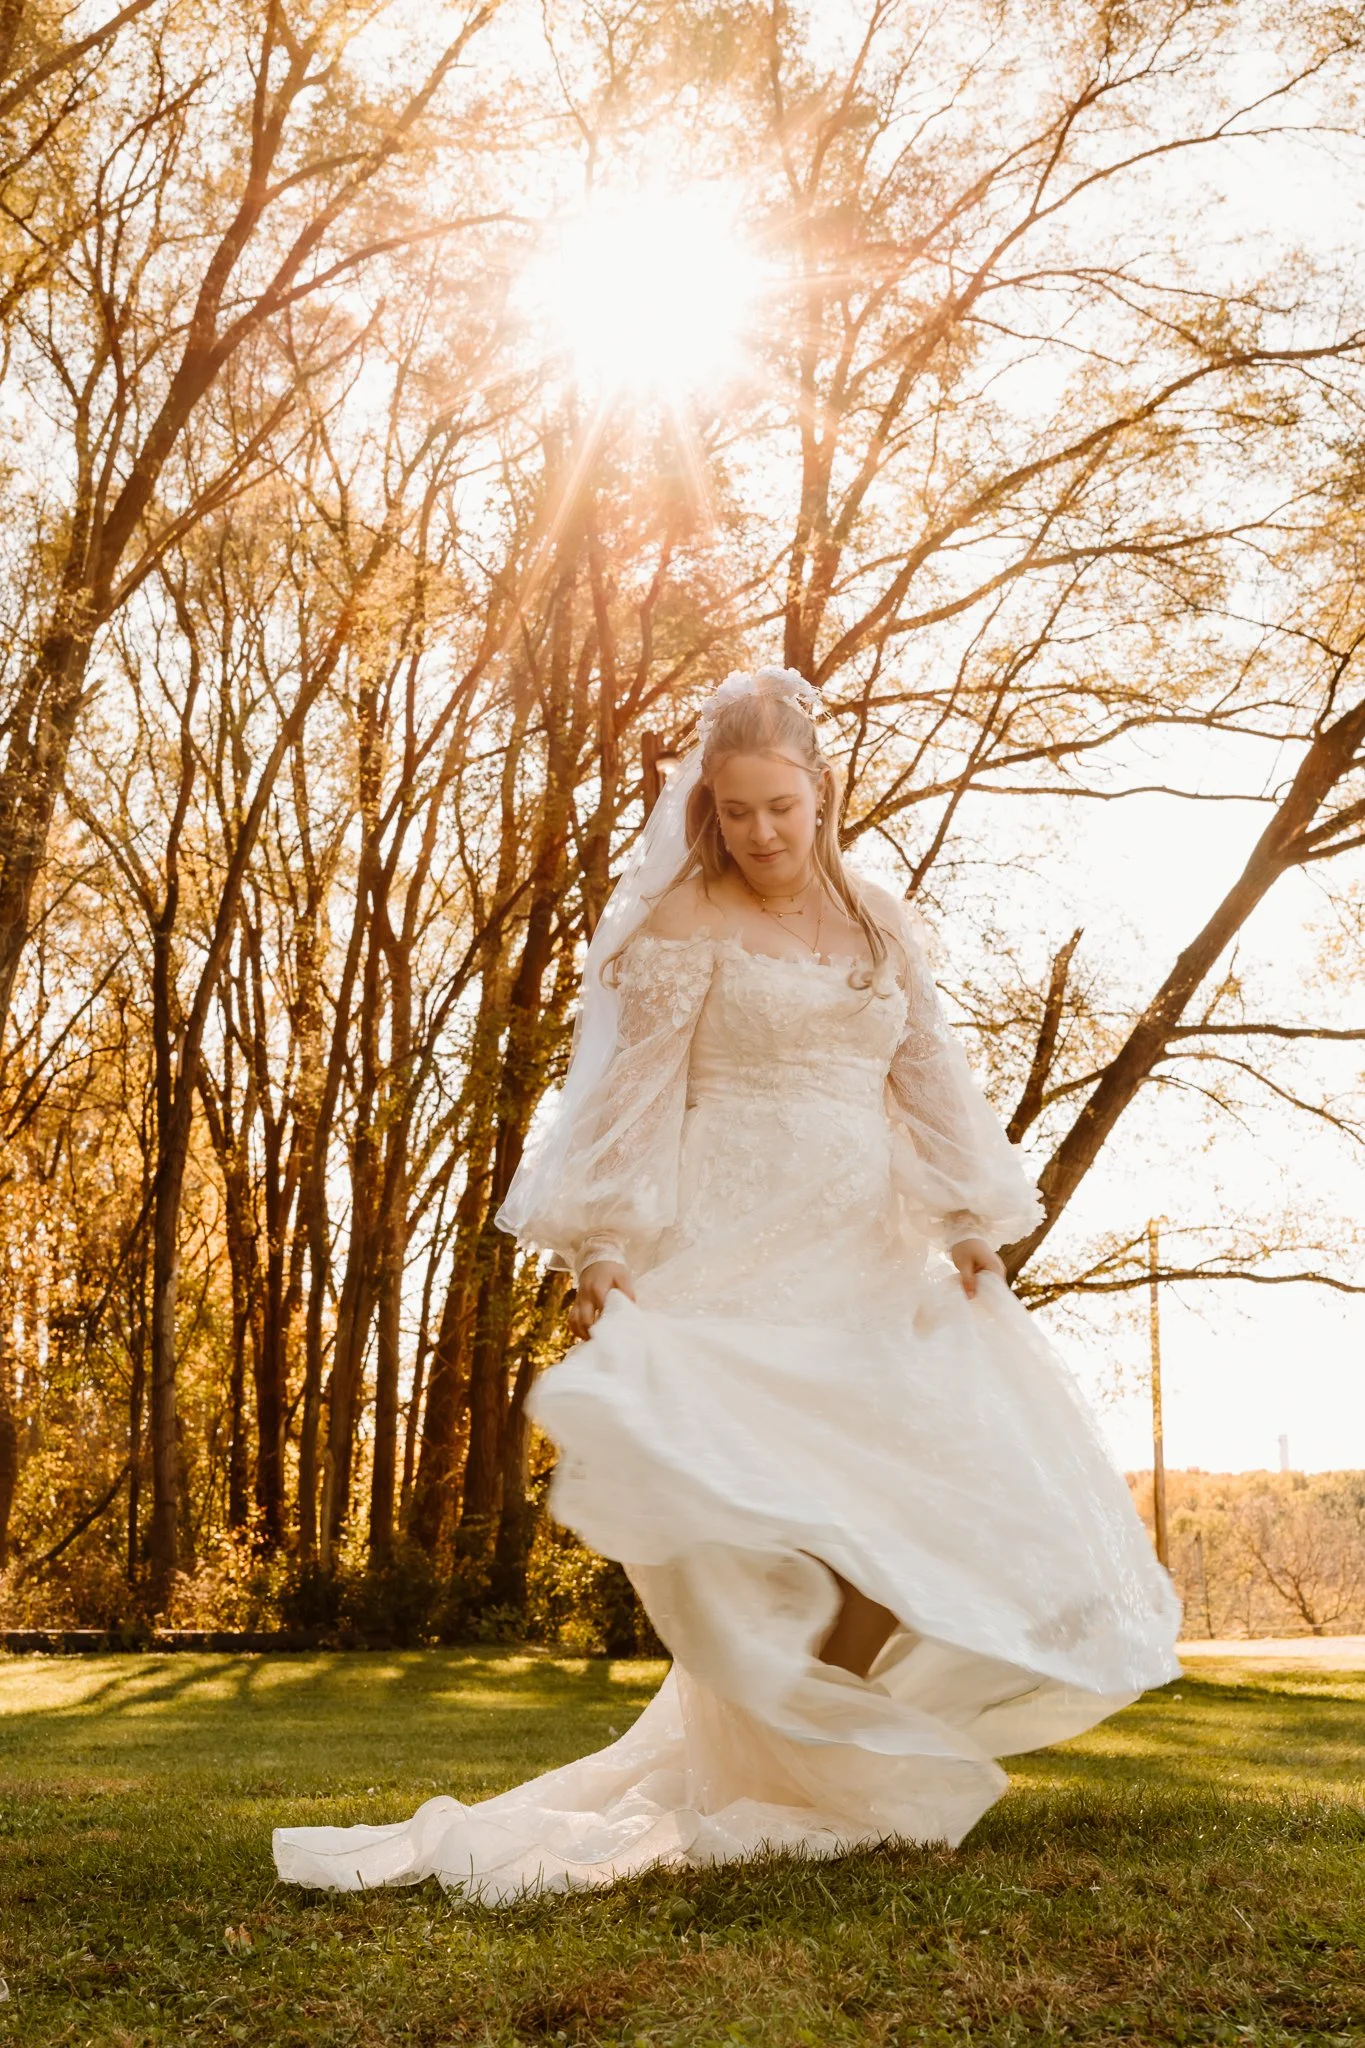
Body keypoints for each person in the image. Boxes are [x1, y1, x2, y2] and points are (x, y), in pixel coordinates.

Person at [273, 666, 1180, 1901]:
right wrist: (602, 1246)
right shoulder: (683, 924)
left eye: (781, 808)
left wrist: (971, 1222)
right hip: (735, 1250)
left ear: (823, 794)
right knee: (780, 1510)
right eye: (737, 808)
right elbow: (630, 1103)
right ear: (711, 803)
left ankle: (823, 1739)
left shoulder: (877, 921)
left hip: (864, 1248)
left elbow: (926, 1078)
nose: (760, 832)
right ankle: (804, 1749)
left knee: (893, 1506)